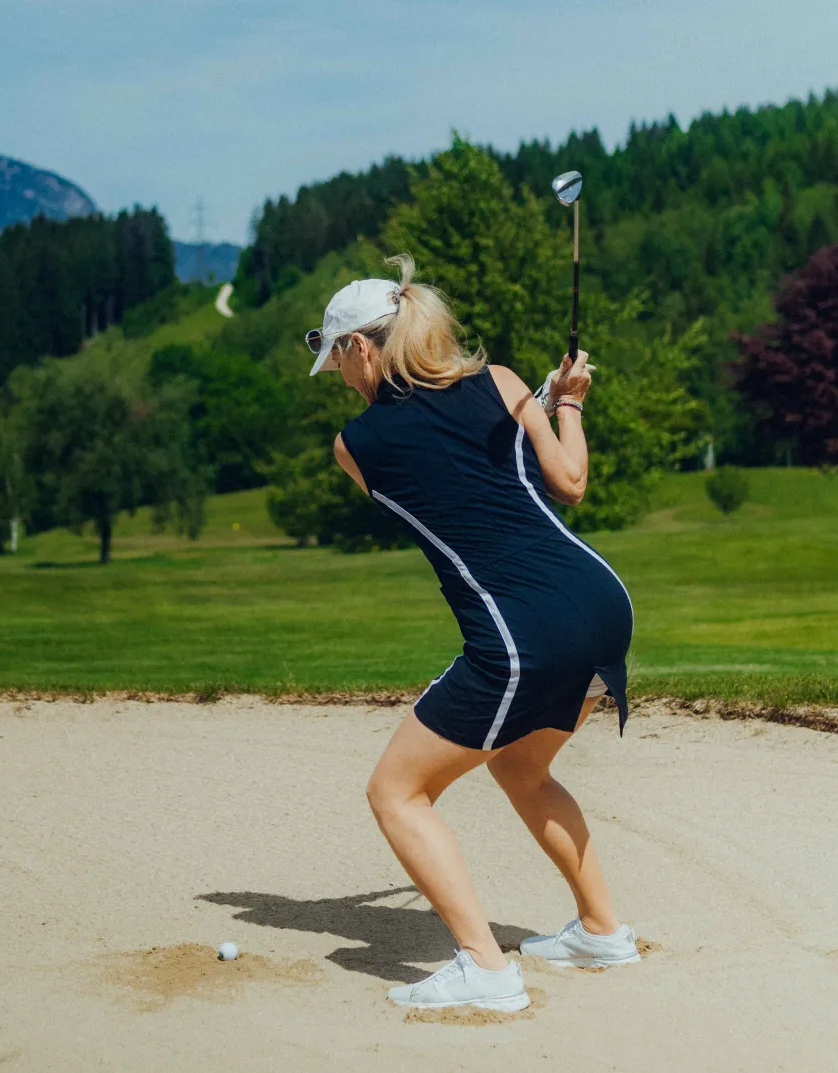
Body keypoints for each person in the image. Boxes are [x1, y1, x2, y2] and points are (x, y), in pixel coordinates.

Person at [308, 255, 639, 1012]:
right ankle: (600, 930)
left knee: (396, 791)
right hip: (600, 601)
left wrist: (526, 409)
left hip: (521, 630)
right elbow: (569, 484)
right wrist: (563, 403)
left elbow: (441, 473)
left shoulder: (353, 446)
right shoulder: (501, 382)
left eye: (339, 360)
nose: (340, 378)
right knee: (521, 768)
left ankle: (485, 967)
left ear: (363, 348)